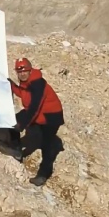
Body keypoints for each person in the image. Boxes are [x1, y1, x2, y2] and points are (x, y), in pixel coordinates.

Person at [8, 57, 65, 186]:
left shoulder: (37, 84)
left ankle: (43, 175)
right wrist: (10, 84)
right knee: (11, 121)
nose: (22, 74)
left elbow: (34, 107)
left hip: (51, 117)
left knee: (47, 146)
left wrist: (22, 125)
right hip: (38, 114)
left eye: (24, 71)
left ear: (30, 70)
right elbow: (23, 93)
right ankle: (17, 150)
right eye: (19, 71)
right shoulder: (26, 82)